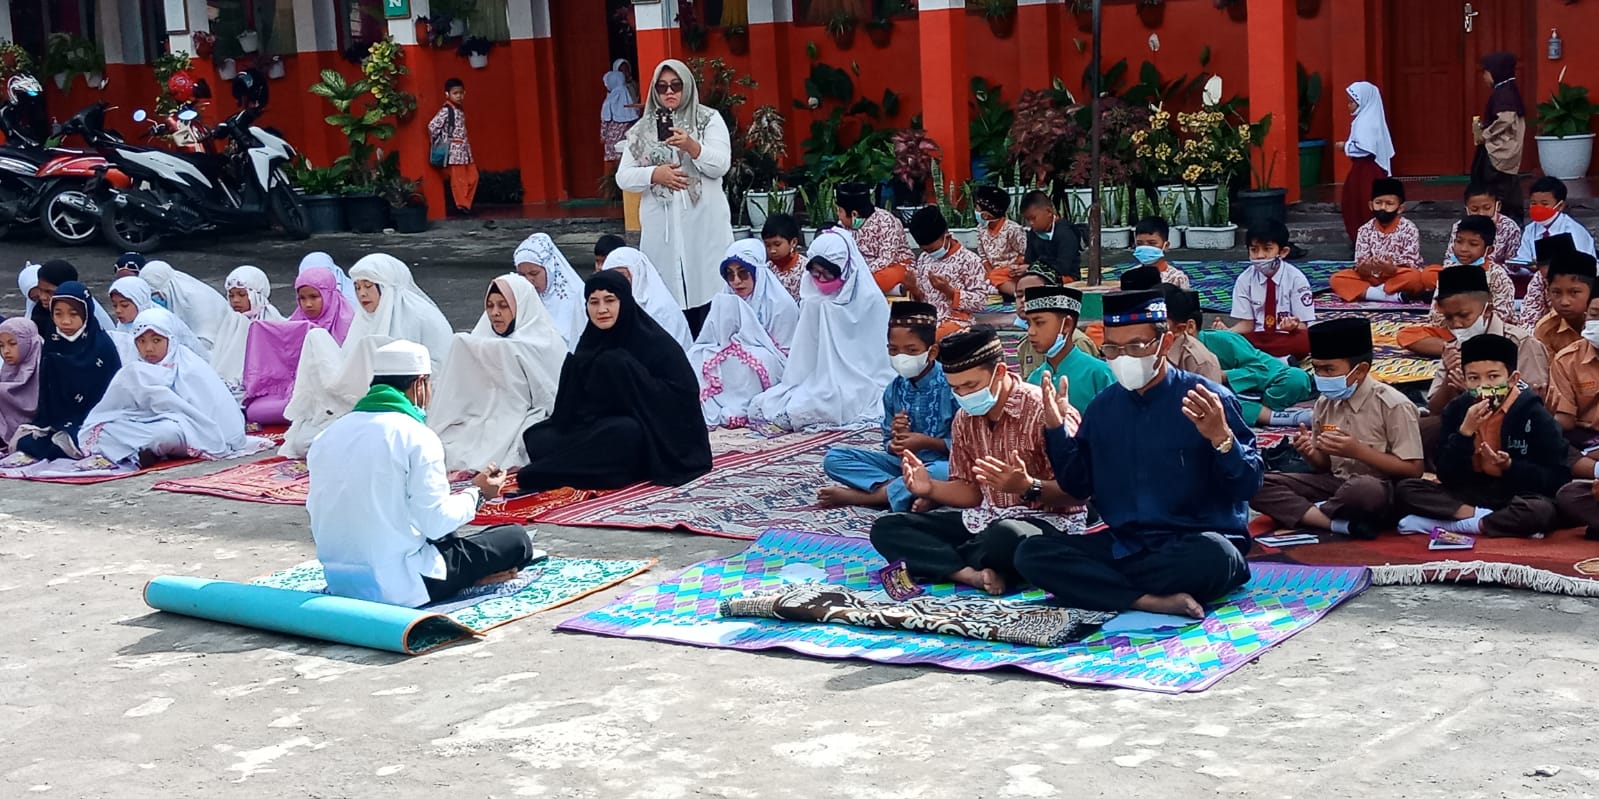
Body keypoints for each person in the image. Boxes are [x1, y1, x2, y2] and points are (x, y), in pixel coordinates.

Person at [1012, 289, 1262, 617]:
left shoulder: (1208, 400)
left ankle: (1102, 589)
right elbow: (1077, 487)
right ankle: (1146, 600)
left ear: (1165, 342)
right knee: (1031, 553)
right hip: (1126, 546)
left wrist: (1221, 438)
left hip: (1191, 545)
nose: (1123, 357)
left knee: (1217, 557)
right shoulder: (1104, 408)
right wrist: (1057, 429)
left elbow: (1249, 486)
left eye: (1135, 346)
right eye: (1112, 349)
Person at [308, 340, 535, 608]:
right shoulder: (415, 436)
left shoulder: (327, 435)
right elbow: (436, 522)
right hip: (401, 585)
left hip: (341, 581)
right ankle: (467, 580)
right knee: (515, 539)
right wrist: (478, 493)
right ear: (419, 385)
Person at [868, 327, 1083, 595]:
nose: (965, 395)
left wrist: (1027, 487)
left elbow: (1078, 494)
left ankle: (939, 560)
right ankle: (969, 574)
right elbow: (971, 492)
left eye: (971, 385)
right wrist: (930, 488)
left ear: (1000, 372)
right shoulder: (965, 419)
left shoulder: (1044, 410)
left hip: (1043, 524)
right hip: (984, 519)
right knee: (887, 527)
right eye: (956, 388)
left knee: (1007, 538)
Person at [516, 270, 712, 491]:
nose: (602, 310)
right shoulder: (589, 343)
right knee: (536, 436)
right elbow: (566, 413)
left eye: (610, 300)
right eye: (594, 302)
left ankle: (544, 474)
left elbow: (681, 402)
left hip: (653, 432)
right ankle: (577, 468)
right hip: (599, 427)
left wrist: (623, 369)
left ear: (624, 302)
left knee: (624, 433)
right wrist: (575, 368)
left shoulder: (654, 342)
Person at [1250, 318, 1424, 538]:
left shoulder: (1392, 404)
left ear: (1360, 370)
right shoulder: (1324, 403)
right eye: (1317, 369)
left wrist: (1358, 451)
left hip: (1380, 489)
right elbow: (1324, 466)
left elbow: (1414, 469)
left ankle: (1312, 512)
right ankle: (1337, 524)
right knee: (1255, 482)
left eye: (1329, 370)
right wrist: (1311, 453)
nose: (1321, 377)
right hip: (1336, 484)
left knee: (1363, 490)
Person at [1395, 333, 1567, 537]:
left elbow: (1557, 478)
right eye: (1474, 378)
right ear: (1464, 380)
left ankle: (1459, 525)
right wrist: (1465, 433)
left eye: (1493, 377)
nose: (1483, 386)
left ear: (1513, 380)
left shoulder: (1533, 412)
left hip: (1518, 494)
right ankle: (1484, 519)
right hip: (1470, 494)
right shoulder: (1458, 409)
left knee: (1540, 512)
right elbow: (1446, 474)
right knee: (1406, 489)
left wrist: (1510, 466)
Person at [615, 58, 734, 333]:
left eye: (676, 86)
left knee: (710, 295)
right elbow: (624, 177)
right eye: (662, 87)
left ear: (687, 87)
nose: (669, 92)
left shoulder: (708, 120)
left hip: (704, 225)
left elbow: (721, 165)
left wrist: (693, 147)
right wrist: (654, 174)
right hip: (662, 229)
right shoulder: (641, 130)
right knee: (668, 300)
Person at [748, 229, 895, 431]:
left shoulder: (870, 300)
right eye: (816, 273)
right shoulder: (812, 299)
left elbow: (876, 355)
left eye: (828, 273)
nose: (821, 279)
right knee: (796, 403)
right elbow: (805, 353)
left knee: (844, 400)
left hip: (863, 377)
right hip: (817, 377)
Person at [76, 308, 256, 469]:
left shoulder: (189, 367)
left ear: (170, 339)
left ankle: (141, 450)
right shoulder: (133, 369)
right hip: (143, 424)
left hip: (185, 428)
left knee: (165, 433)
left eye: (156, 340)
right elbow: (113, 410)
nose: (148, 348)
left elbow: (207, 416)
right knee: (106, 429)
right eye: (141, 341)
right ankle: (141, 451)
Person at [819, 301, 956, 511]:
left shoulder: (953, 384)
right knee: (835, 458)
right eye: (894, 350)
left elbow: (969, 447)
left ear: (932, 351)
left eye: (911, 350)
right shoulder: (894, 389)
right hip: (902, 467)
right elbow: (888, 445)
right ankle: (913, 491)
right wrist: (897, 440)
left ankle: (873, 497)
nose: (902, 357)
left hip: (944, 465)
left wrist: (926, 442)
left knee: (942, 472)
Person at [428, 276, 566, 471]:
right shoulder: (478, 342)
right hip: (481, 417)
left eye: (503, 306)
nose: (495, 313)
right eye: (490, 306)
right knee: (450, 443)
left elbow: (551, 395)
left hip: (523, 415)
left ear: (520, 306)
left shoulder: (545, 343)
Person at [5, 282, 121, 463]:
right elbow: (46, 389)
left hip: (94, 418)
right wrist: (45, 421)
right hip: (57, 421)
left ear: (86, 313)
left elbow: (114, 393)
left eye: (73, 314)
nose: (65, 321)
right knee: (28, 443)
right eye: (58, 314)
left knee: (82, 440)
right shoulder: (53, 341)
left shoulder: (101, 345)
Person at [1174, 287, 1313, 427]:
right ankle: (1273, 416)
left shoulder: (1223, 340)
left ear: (1189, 327)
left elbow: (1260, 371)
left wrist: (1223, 375)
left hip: (1266, 383)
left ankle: (1262, 412)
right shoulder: (1161, 348)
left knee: (1297, 378)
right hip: (1229, 396)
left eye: (1163, 326)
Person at [1397, 214, 1517, 357]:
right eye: (1459, 242)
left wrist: (1472, 324)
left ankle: (1463, 349)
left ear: (1488, 250)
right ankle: (1464, 350)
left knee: (1508, 338)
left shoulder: (1498, 275)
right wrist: (1456, 323)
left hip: (1486, 332)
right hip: (1452, 331)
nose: (1463, 249)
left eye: (1473, 244)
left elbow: (1502, 315)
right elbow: (1436, 314)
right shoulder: (1449, 272)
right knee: (1406, 335)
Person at [346, 253, 455, 374]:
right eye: (357, 287)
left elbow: (442, 366)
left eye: (368, 286)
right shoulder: (361, 320)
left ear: (386, 287)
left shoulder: (423, 317)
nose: (362, 294)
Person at [1222, 221, 1314, 359]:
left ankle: (1257, 360)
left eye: (1267, 249)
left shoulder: (1296, 279)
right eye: (1254, 250)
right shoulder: (1244, 280)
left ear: (1283, 252)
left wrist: (1292, 325)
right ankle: (1280, 361)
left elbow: (1303, 325)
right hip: (1257, 337)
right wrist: (1226, 332)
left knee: (1306, 340)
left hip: (1285, 336)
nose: (1260, 256)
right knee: (1225, 342)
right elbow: (1247, 324)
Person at [1329, 177, 1426, 303]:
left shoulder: (1409, 228)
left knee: (1415, 278)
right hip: (1370, 277)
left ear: (1400, 208)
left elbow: (1411, 262)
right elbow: (1360, 262)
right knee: (1337, 279)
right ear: (1371, 205)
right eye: (1378, 203)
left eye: (1389, 204)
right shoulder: (1365, 230)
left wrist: (1390, 269)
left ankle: (1370, 293)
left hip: (1397, 275)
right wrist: (1364, 268)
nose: (1382, 208)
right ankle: (1386, 296)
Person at [1019, 285, 1114, 412]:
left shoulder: (1100, 374)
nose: (1031, 331)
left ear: (1066, 325)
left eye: (1039, 323)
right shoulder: (1034, 379)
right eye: (1028, 324)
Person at [905, 205, 988, 339]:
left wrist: (948, 291)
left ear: (946, 236)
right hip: (927, 319)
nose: (929, 253)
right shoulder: (923, 259)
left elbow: (980, 302)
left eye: (932, 249)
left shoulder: (969, 260)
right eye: (924, 250)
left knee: (928, 340)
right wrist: (914, 290)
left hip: (957, 320)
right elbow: (922, 301)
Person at [596, 245, 695, 351]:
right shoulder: (608, 306)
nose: (616, 282)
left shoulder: (660, 309)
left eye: (621, 275)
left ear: (638, 273)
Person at [210, 265, 286, 393]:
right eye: (231, 296)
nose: (236, 300)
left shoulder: (269, 319)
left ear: (256, 295)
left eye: (241, 295)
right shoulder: (232, 320)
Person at [1014, 267, 1098, 379]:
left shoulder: (1079, 343)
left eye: (1039, 323)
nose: (1024, 300)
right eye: (1019, 295)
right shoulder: (1025, 348)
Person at [1472, 52, 1526, 224]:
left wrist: (1486, 134)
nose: (1484, 77)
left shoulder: (1504, 93)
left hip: (1500, 151)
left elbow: (1506, 118)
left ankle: (1502, 225)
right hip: (1503, 151)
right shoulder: (1506, 90)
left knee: (1497, 189)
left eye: (1486, 72)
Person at [1338, 81, 1396, 242]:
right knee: (1354, 204)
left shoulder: (1367, 122)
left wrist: (1345, 146)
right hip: (1361, 169)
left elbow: (1365, 147)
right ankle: (1362, 240)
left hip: (1367, 170)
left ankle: (1371, 241)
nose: (1349, 106)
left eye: (1352, 102)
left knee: (1365, 205)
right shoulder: (1364, 119)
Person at [716, 239, 800, 348]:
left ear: (757, 274)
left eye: (743, 273)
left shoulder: (781, 306)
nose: (736, 281)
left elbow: (785, 353)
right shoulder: (725, 300)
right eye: (730, 274)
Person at [138, 260, 232, 356]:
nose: (155, 300)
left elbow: (206, 342)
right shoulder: (178, 298)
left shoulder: (199, 302)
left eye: (155, 294)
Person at [513, 232, 587, 352]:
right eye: (522, 275)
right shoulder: (519, 299)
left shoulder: (576, 299)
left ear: (550, 269)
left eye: (534, 273)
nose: (528, 280)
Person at [835, 182, 912, 294]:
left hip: (893, 265)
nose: (838, 214)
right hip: (858, 270)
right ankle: (892, 290)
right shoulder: (842, 226)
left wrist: (861, 274)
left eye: (840, 211)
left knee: (878, 279)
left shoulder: (886, 221)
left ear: (854, 214)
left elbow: (886, 258)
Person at [1548, 288, 1599, 450]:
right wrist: (1542, 414)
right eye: (1595, 315)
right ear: (1585, 318)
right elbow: (1565, 420)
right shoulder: (1566, 360)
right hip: (1585, 440)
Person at [1509, 177, 1597, 265]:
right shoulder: (1530, 229)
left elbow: (1581, 266)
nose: (1538, 208)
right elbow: (1523, 259)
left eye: (1544, 204)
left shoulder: (1573, 231)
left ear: (1560, 206)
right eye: (1533, 203)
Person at [241, 319, 312, 426]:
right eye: (303, 300)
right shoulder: (292, 321)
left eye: (313, 300)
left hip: (307, 389)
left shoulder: (336, 326)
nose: (308, 304)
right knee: (255, 411)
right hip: (274, 390)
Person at [1533, 249, 1598, 360]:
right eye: (1556, 293)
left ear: (1592, 291)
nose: (1564, 302)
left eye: (1574, 292)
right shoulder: (1546, 330)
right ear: (1548, 291)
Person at [428, 77, 477, 215]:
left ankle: (465, 203)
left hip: (465, 151)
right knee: (459, 180)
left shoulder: (459, 110)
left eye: (461, 93)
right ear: (447, 94)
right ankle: (462, 206)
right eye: (455, 93)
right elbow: (432, 126)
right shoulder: (446, 110)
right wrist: (444, 139)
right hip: (455, 151)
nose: (459, 96)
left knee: (473, 176)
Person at [1157, 288, 1226, 385]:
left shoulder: (1200, 364)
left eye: (1158, 324)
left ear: (1180, 329)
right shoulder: (1142, 345)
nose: (1147, 328)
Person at [29, 259, 116, 335]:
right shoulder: (39, 312)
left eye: (49, 292)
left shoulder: (87, 316)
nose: (42, 297)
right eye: (40, 290)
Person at [1444, 185, 1523, 267]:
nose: (1481, 213)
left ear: (1498, 206)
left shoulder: (1510, 227)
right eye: (1474, 209)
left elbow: (1513, 264)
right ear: (1466, 209)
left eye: (1487, 208)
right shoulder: (1459, 226)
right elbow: (1449, 258)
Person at [974, 185, 1028, 299]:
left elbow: (1025, 253)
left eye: (977, 209)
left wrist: (1014, 267)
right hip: (993, 272)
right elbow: (983, 256)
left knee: (997, 277)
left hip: (1012, 272)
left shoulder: (1012, 229)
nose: (975, 212)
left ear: (986, 214)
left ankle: (1021, 295)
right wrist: (990, 273)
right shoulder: (981, 229)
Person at [1515, 234, 1576, 329]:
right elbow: (1529, 319)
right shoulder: (1540, 278)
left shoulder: (1589, 278)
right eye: (1548, 278)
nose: (1551, 282)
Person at [1021, 190, 1081, 282]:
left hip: (1065, 277)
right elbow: (1029, 259)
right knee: (1001, 274)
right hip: (1036, 273)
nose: (1031, 223)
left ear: (1049, 212)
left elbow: (1063, 267)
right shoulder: (1033, 233)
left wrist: (1033, 268)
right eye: (1028, 220)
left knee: (1034, 282)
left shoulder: (1065, 233)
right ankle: (1018, 292)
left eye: (1033, 218)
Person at [0, 317, 41, 452]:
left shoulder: (46, 370)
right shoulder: (6, 372)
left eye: (13, 344)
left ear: (29, 343)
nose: (6, 351)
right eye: (1, 345)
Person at [288, 265, 356, 345]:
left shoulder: (349, 327)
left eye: (314, 297)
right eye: (302, 298)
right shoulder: (296, 323)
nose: (308, 304)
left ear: (329, 295)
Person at [600, 58, 641, 169]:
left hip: (611, 139)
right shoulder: (626, 95)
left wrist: (603, 135)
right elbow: (634, 115)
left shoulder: (610, 99)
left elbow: (606, 118)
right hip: (627, 136)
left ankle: (614, 181)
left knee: (613, 162)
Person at [1131, 217, 1190, 289]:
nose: (1145, 247)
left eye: (1152, 243)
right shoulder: (1131, 275)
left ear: (1166, 246)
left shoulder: (1176, 279)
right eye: (1140, 244)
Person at [761, 212, 807, 302]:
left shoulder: (805, 269)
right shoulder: (766, 269)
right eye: (768, 245)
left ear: (793, 242)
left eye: (777, 244)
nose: (772, 250)